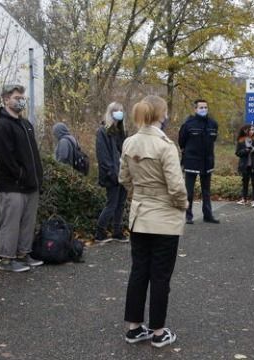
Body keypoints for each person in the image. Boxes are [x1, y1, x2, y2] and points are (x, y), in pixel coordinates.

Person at [119, 95, 187, 348]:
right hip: (164, 218)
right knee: (160, 275)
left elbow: (123, 178)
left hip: (140, 215)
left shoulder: (129, 143)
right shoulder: (165, 145)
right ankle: (159, 332)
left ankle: (134, 328)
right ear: (161, 114)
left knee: (139, 271)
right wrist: (182, 205)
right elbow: (177, 186)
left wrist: (138, 197)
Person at [0, 84, 44, 272]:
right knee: (11, 223)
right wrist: (22, 175)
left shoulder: (25, 124)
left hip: (31, 184)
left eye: (22, 96)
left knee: (28, 222)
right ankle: (7, 259)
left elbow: (33, 155)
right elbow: (6, 158)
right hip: (12, 185)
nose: (21, 99)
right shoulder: (2, 125)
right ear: (6, 100)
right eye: (16, 96)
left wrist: (38, 176)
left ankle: (24, 254)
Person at [178, 99, 219, 224]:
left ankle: (208, 215)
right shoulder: (188, 124)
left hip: (207, 162)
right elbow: (181, 142)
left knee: (206, 191)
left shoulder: (213, 124)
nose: (204, 109)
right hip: (192, 161)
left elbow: (213, 139)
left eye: (205, 107)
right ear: (195, 109)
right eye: (201, 107)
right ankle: (187, 216)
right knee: (189, 191)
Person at [95, 102, 128, 243]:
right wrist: (111, 173)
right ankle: (100, 231)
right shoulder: (103, 131)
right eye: (116, 110)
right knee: (112, 204)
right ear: (110, 112)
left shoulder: (122, 132)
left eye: (121, 110)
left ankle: (117, 231)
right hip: (112, 174)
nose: (119, 113)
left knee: (121, 203)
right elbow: (103, 156)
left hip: (124, 173)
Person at [235, 124, 254, 207]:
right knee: (245, 182)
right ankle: (244, 199)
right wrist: (245, 150)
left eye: (253, 130)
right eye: (250, 130)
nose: (251, 131)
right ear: (245, 130)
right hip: (245, 165)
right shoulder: (241, 140)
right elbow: (238, 153)